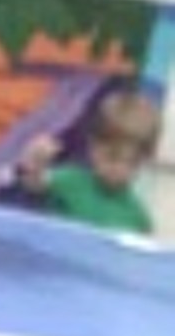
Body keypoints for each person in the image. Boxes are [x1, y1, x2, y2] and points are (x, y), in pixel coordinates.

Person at [17, 79, 161, 234]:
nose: (120, 169)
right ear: (93, 146)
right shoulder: (71, 181)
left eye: (133, 163)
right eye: (112, 157)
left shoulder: (137, 217)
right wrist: (36, 162)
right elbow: (34, 183)